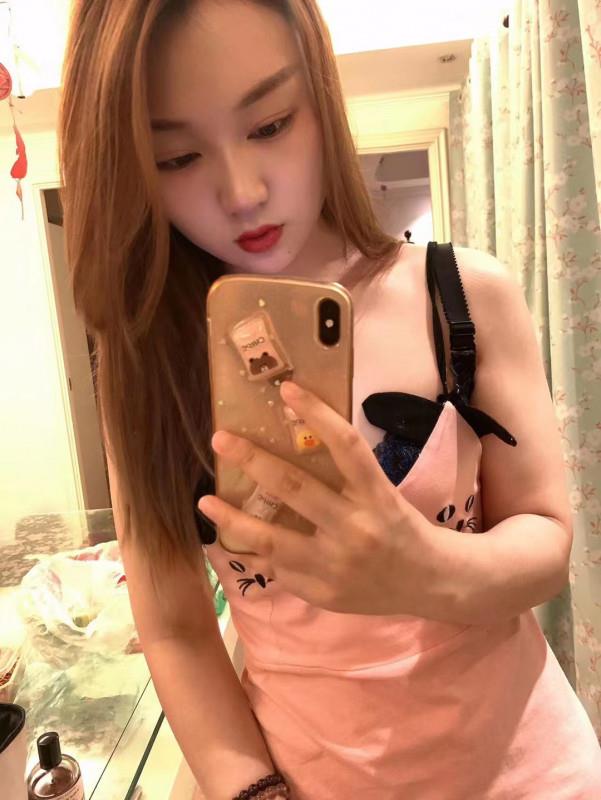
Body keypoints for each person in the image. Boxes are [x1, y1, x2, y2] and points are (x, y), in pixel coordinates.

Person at [58, 1, 601, 798]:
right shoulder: (151, 368)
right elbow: (174, 629)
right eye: (175, 157)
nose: (242, 191)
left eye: (270, 124)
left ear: (319, 96)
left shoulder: (459, 296)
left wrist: (418, 568)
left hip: (535, 774)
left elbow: (546, 542)